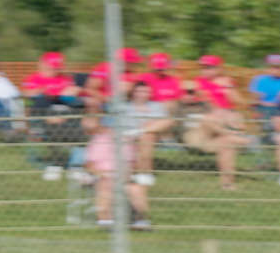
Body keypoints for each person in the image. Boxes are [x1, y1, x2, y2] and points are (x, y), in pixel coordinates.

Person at [188, 56, 247, 190]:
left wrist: (228, 89)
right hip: (205, 127)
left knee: (227, 144)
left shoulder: (227, 81)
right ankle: (234, 135)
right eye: (203, 67)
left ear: (219, 69)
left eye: (209, 67)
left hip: (221, 124)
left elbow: (241, 103)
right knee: (212, 118)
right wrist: (225, 113)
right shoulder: (198, 82)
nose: (205, 70)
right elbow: (206, 103)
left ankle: (227, 183)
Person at [83, 115, 150, 230]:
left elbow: (131, 164)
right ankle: (105, 220)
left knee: (136, 189)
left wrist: (126, 175)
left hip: (122, 176)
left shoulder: (125, 142)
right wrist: (103, 174)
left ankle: (140, 220)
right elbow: (89, 165)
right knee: (106, 184)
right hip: (102, 175)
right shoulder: (99, 140)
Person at [132, 53, 186, 183]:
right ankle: (145, 173)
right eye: (157, 67)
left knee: (169, 112)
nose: (159, 70)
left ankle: (161, 136)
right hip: (147, 114)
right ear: (151, 66)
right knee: (148, 135)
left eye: (162, 67)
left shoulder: (173, 80)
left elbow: (180, 100)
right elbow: (137, 98)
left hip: (163, 119)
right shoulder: (143, 79)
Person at [249, 55, 280, 128]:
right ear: (268, 68)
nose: (276, 70)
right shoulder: (259, 80)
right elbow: (254, 101)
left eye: (279, 67)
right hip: (265, 110)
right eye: (273, 67)